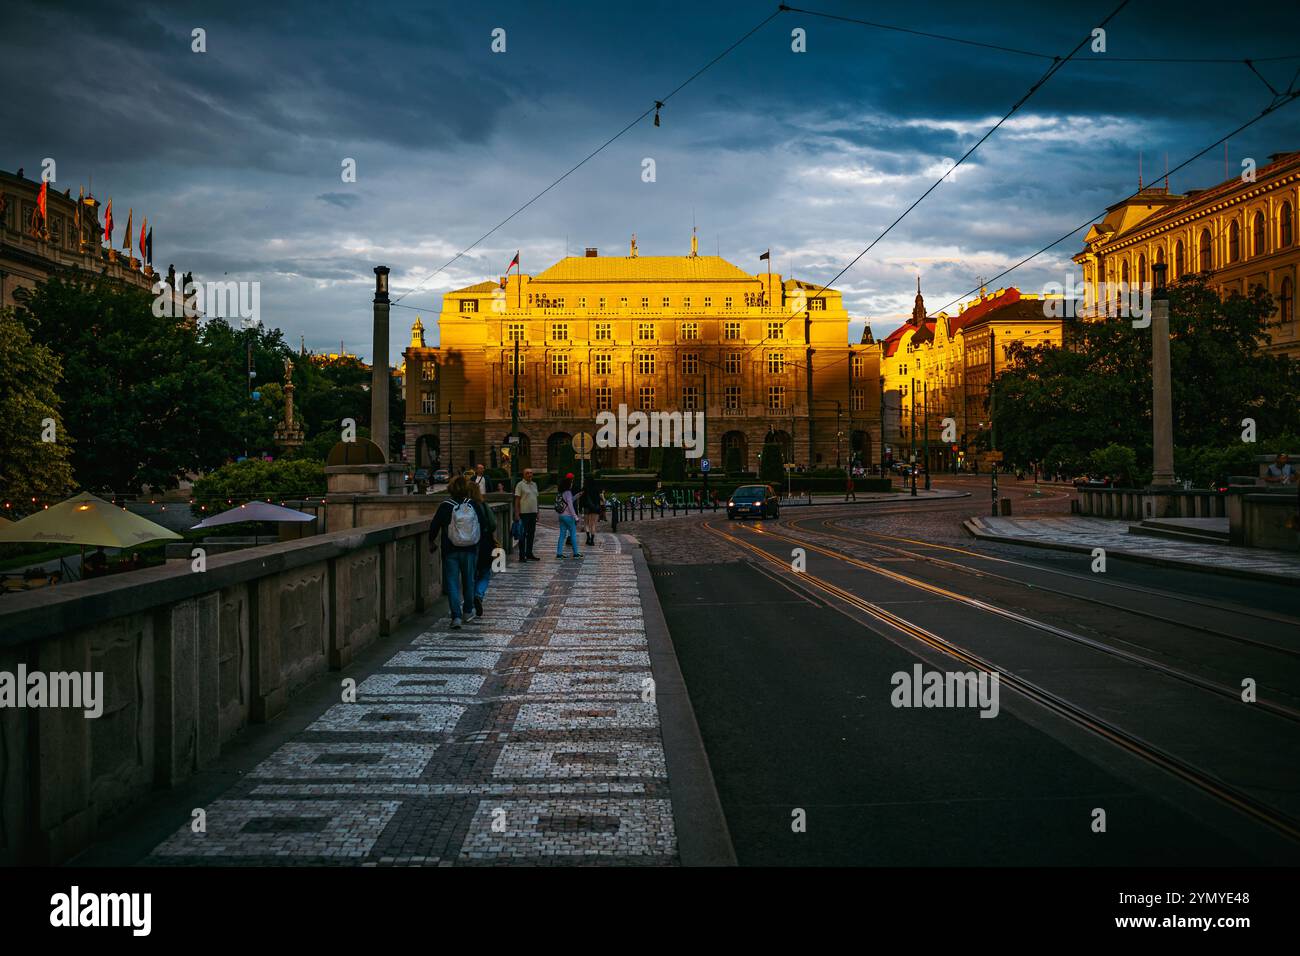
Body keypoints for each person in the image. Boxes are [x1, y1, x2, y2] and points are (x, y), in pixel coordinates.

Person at [428, 473, 482, 629]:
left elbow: (435, 526)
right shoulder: (472, 504)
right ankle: (467, 611)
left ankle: (456, 617)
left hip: (450, 549)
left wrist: (431, 540)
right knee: (469, 581)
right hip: (470, 548)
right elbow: (482, 524)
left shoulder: (445, 505)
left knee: (452, 583)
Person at [467, 479, 498, 619]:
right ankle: (478, 595)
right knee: (485, 573)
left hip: (467, 544)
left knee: (471, 575)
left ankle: (469, 602)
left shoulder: (462, 506)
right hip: (484, 542)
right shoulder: (483, 505)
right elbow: (492, 524)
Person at [514, 467, 540, 561]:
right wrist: (516, 514)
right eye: (527, 473)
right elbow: (517, 500)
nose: (530, 475)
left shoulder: (534, 484)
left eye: (531, 473)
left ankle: (529, 553)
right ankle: (522, 555)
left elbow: (536, 499)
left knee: (531, 534)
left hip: (533, 513)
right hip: (523, 514)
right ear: (524, 475)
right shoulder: (520, 485)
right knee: (522, 534)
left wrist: (538, 512)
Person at [555, 473, 581, 559]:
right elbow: (570, 505)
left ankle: (559, 553)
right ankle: (576, 553)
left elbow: (568, 501)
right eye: (571, 483)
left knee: (562, 535)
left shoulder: (561, 492)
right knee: (573, 534)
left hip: (561, 515)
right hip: (569, 516)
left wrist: (577, 496)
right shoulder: (568, 493)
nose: (572, 485)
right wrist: (576, 517)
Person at [579, 474, 602, 546]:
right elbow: (599, 499)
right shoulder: (596, 488)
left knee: (586, 524)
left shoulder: (584, 488)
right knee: (593, 525)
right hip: (595, 508)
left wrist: (580, 507)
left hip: (587, 508)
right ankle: (592, 540)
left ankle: (588, 538)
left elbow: (581, 499)